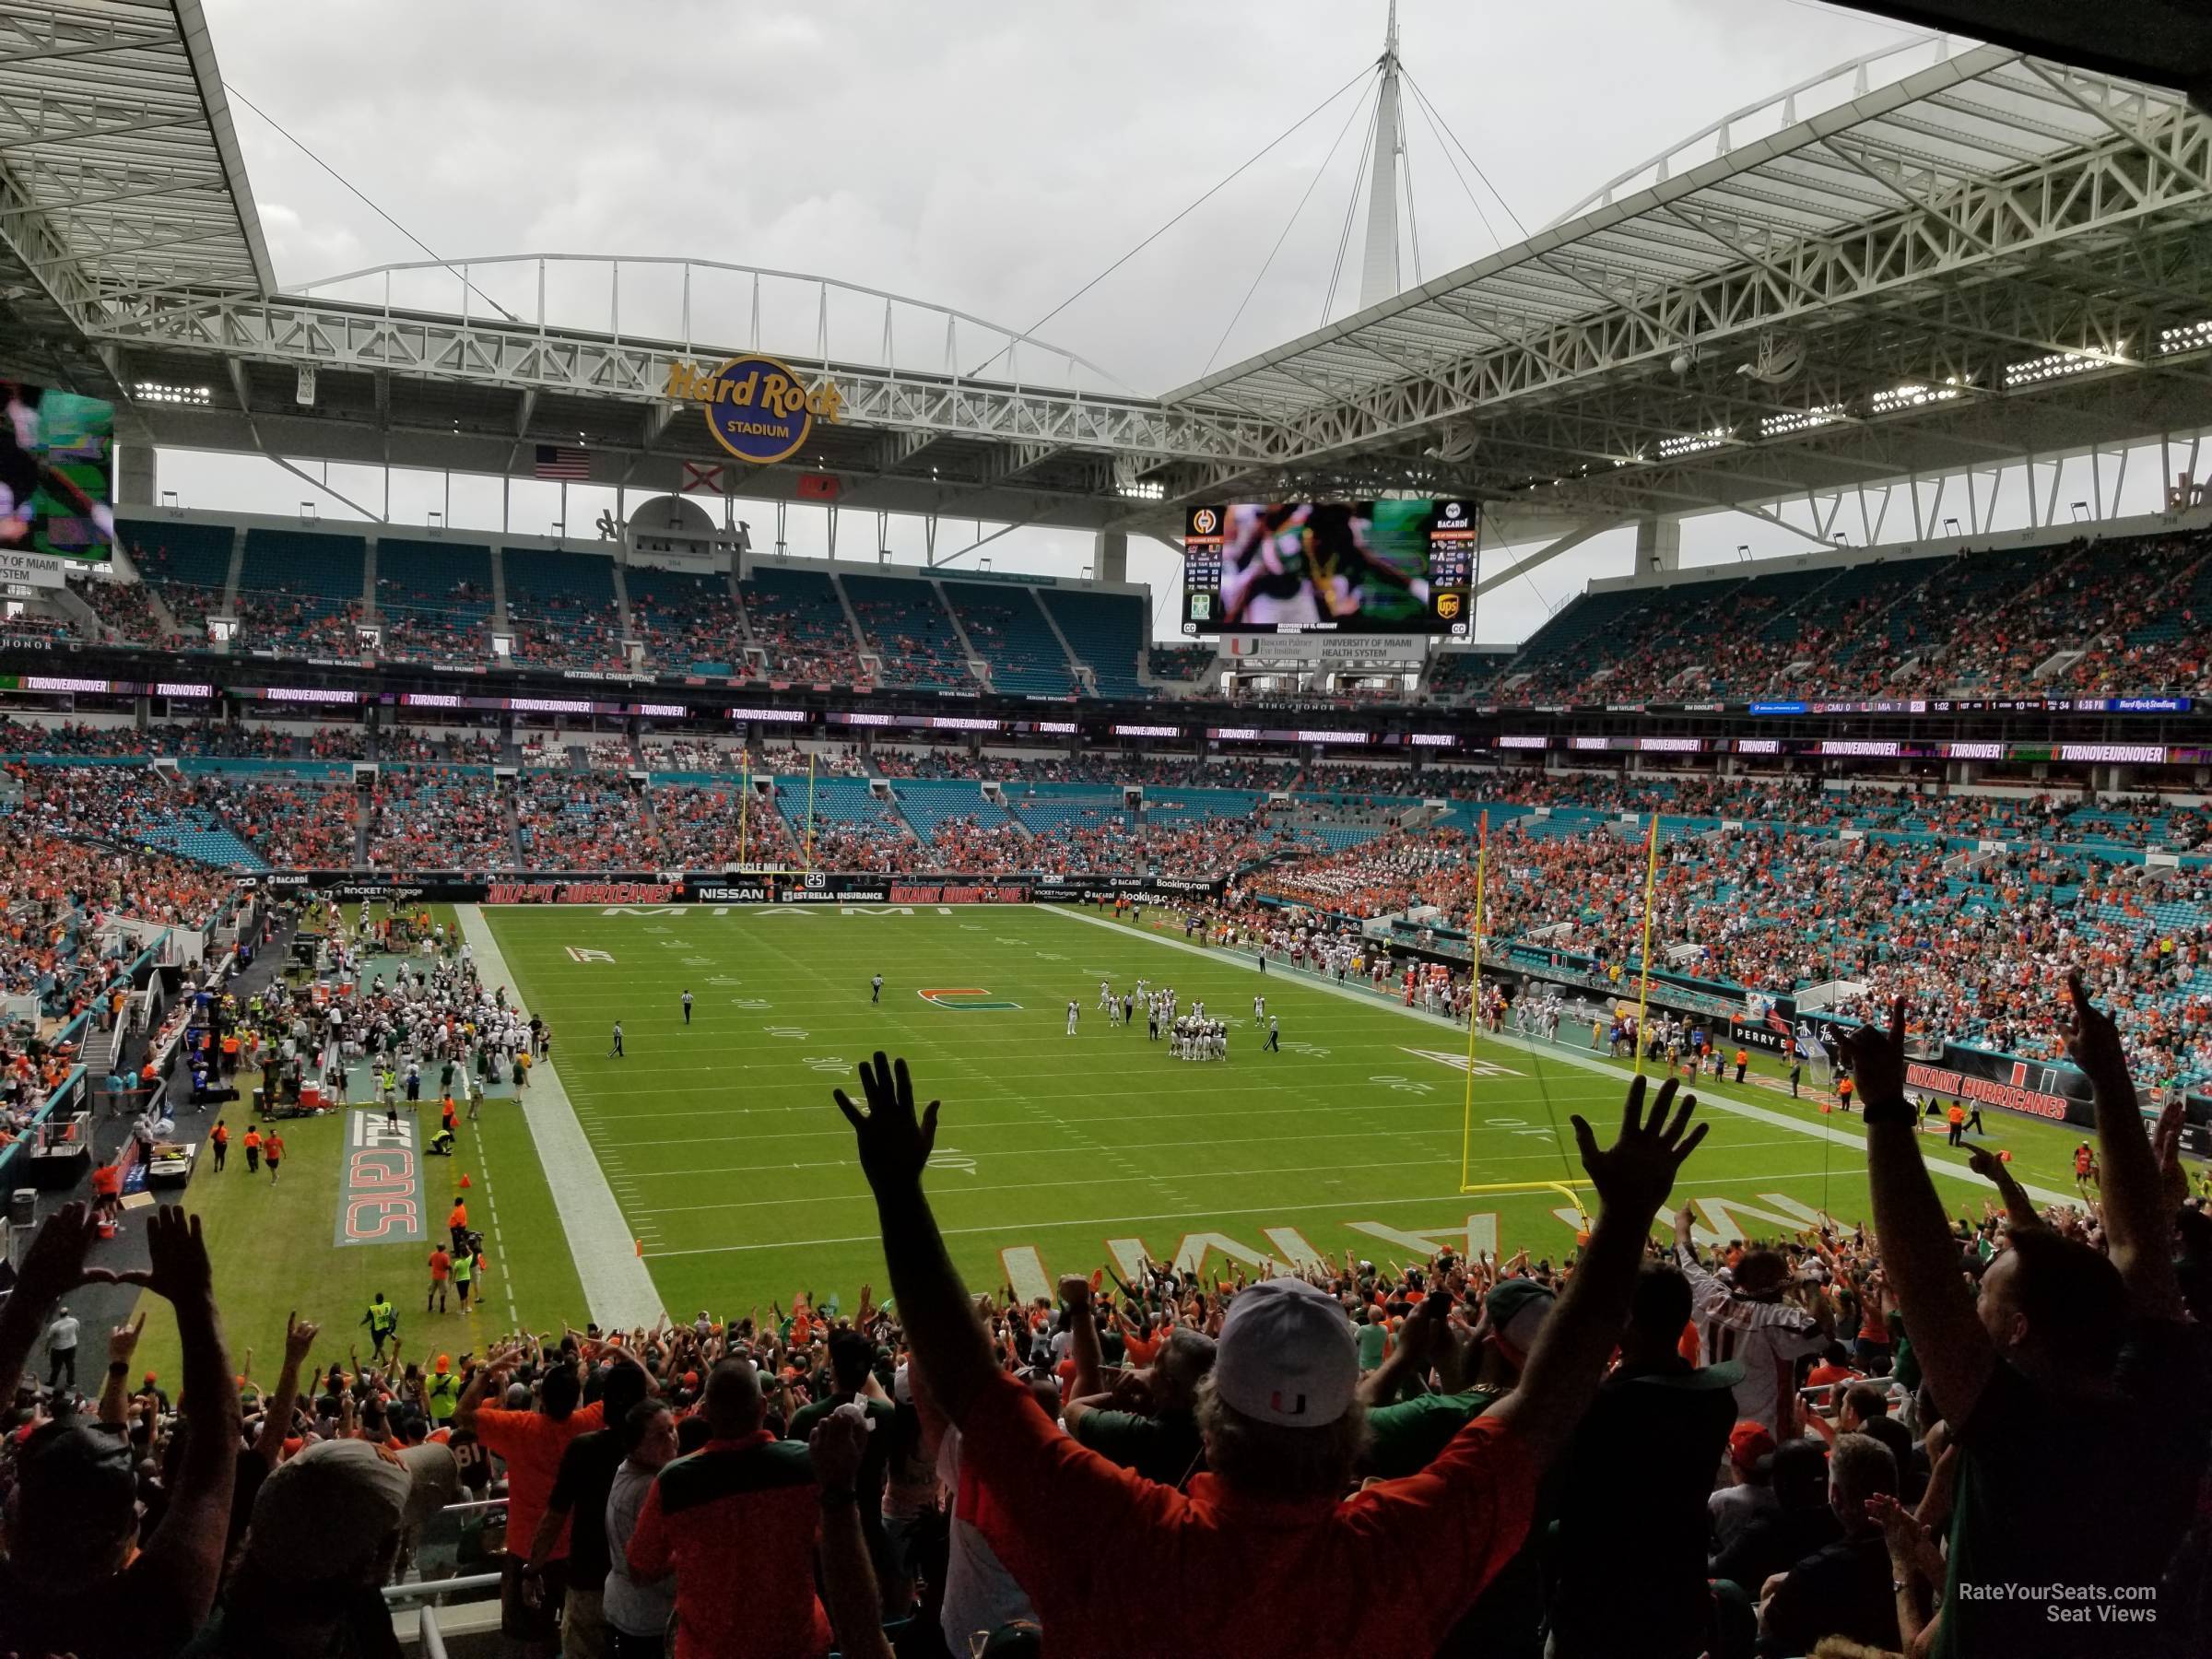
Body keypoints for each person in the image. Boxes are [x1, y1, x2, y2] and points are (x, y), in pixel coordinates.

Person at [828, 1051, 1709, 1655]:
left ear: (1212, 1415)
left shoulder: (1122, 1530)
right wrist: (1628, 1214)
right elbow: (1549, 1403)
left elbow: (971, 1384)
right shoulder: (1399, 1551)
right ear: (1350, 1427)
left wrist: (898, 1193)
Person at [1847, 980, 2210, 1658]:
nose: (1972, 1305)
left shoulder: (2026, 1433)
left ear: (2021, 1330)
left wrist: (1886, 1111)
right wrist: (2109, 1079)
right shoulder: (2159, 1398)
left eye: (1985, 1296)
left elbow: (1923, 1277)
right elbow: (2136, 1245)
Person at [0, 1204, 241, 1659]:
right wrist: (195, 1299)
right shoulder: (154, 1618)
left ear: (10, 1525)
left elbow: (215, 1448)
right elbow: (216, 1454)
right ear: (131, 1537)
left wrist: (32, 1293)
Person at [1547, 1264, 1742, 1659]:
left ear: (1627, 1322)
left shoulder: (1602, 1410)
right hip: (1680, 1598)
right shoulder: (1715, 1401)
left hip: (1601, 1609)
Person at [627, 1358, 832, 1659]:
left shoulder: (674, 1482)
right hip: (797, 1643)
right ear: (763, 1407)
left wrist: (689, 1549)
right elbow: (835, 1542)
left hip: (710, 1650)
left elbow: (641, 1570)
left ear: (706, 1414)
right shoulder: (809, 1465)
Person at [457, 1340, 608, 1655]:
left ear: (539, 1397)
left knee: (526, 1639)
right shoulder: (588, 1423)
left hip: (526, 1551)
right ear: (576, 1398)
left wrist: (487, 1371)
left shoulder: (521, 1428)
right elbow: (644, 1391)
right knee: (584, 1633)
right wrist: (617, 1355)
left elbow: (463, 1415)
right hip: (576, 1551)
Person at [527, 1356, 652, 1659]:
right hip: (645, 1589)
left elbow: (553, 1517)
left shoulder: (584, 1448)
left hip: (590, 1582)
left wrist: (532, 1568)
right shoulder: (661, 1448)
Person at [1673, 1206, 1825, 1440]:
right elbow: (1823, 1330)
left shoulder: (1710, 1298)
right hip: (1762, 1436)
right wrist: (1810, 1283)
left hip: (1713, 1429)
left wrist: (1681, 1224)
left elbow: (1688, 1262)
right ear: (1774, 1284)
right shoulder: (1774, 1319)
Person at [1757, 1431, 1901, 1658]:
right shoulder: (1921, 1550)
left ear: (1835, 1495)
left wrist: (1770, 1597)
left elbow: (1769, 1624)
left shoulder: (1814, 1571)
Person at [604, 1399, 680, 1659]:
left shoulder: (627, 1470)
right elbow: (645, 1569)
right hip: (647, 1619)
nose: (671, 1439)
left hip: (628, 1608)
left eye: (671, 1429)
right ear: (635, 1444)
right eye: (660, 1435)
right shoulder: (649, 1487)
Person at [42, 1303, 79, 1391]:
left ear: (60, 1314)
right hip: (71, 1345)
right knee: (70, 1364)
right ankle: (71, 1382)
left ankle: (52, 1382)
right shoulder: (74, 1321)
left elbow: (49, 1339)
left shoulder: (55, 1326)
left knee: (56, 1366)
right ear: (67, 1313)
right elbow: (77, 1329)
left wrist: (46, 1349)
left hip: (58, 1348)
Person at [362, 1291, 398, 1359]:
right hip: (385, 1327)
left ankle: (385, 1362)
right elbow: (393, 1314)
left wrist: (361, 1323)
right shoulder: (387, 1305)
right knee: (379, 1343)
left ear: (376, 1300)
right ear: (383, 1299)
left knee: (378, 1344)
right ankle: (375, 1357)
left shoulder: (373, 1308)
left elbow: (367, 1318)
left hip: (377, 1330)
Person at [427, 1243, 452, 1312]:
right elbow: (446, 1266)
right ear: (444, 1249)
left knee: (431, 1291)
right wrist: (449, 1268)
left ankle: (430, 1307)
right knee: (442, 1292)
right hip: (442, 1277)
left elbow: (429, 1263)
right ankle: (442, 1308)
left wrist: (435, 1264)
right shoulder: (445, 1256)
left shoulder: (433, 1254)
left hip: (434, 1276)